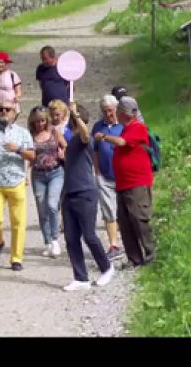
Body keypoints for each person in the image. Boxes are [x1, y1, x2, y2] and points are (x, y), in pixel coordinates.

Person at [94, 96, 155, 270]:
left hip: (137, 182)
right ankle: (134, 258)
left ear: (123, 113)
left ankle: (150, 252)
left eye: (118, 111)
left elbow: (122, 142)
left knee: (139, 217)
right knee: (125, 221)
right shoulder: (127, 129)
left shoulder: (138, 127)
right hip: (123, 182)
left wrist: (104, 137)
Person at [61, 101, 114, 291]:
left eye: (70, 118)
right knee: (71, 237)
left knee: (89, 235)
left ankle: (106, 267)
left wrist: (75, 114)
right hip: (70, 193)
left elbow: (85, 134)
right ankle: (80, 277)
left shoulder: (86, 139)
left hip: (85, 193)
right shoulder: (70, 142)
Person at [0, 99, 35, 271]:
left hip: (16, 181)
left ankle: (16, 258)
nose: (4, 111)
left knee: (18, 222)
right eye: (2, 109)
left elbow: (32, 156)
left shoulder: (23, 133)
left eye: (8, 109)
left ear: (15, 113)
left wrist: (17, 149)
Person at [27, 105, 67, 257]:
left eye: (43, 120)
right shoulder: (29, 135)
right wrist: (25, 173)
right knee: (42, 207)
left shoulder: (54, 132)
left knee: (52, 204)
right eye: (37, 121)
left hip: (55, 172)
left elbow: (65, 145)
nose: (40, 124)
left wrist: (63, 153)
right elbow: (28, 157)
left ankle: (55, 239)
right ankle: (47, 241)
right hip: (38, 174)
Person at [91, 95, 125, 260]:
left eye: (111, 111)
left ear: (117, 109)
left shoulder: (124, 126)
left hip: (124, 175)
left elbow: (122, 142)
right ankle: (113, 244)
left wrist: (105, 137)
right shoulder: (98, 126)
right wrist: (96, 171)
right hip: (104, 175)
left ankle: (128, 241)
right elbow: (95, 150)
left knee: (124, 209)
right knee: (108, 210)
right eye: (105, 111)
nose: (108, 114)